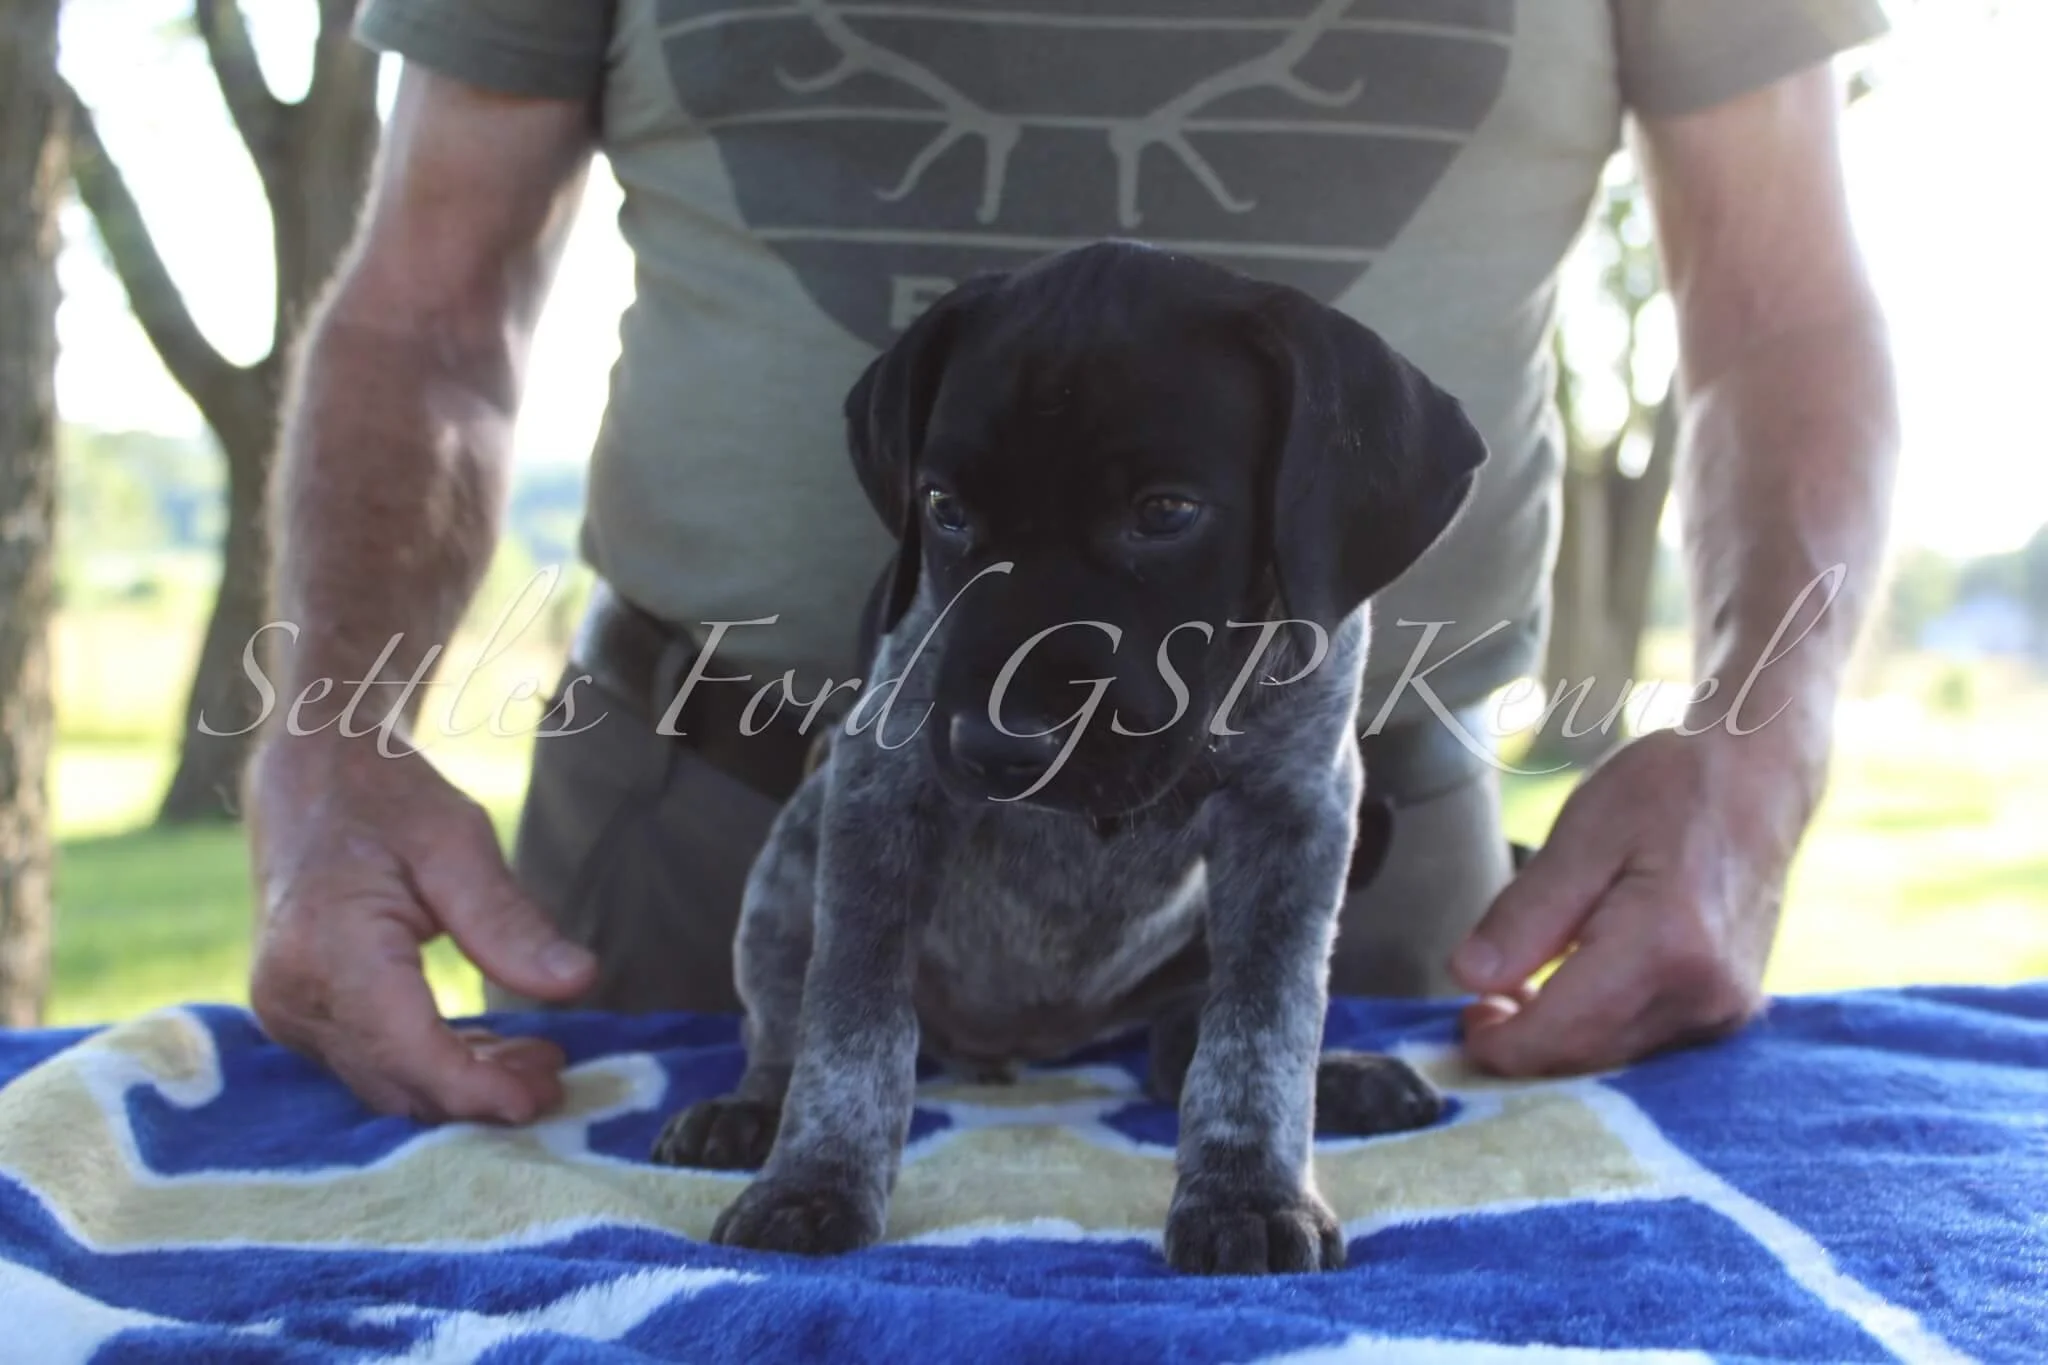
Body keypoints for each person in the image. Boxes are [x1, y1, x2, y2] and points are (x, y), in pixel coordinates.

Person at [244, 0, 1900, 1127]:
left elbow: (1783, 315)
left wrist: (1756, 757)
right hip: (722, 827)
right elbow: (425, 310)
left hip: (1347, 859)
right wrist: (325, 748)